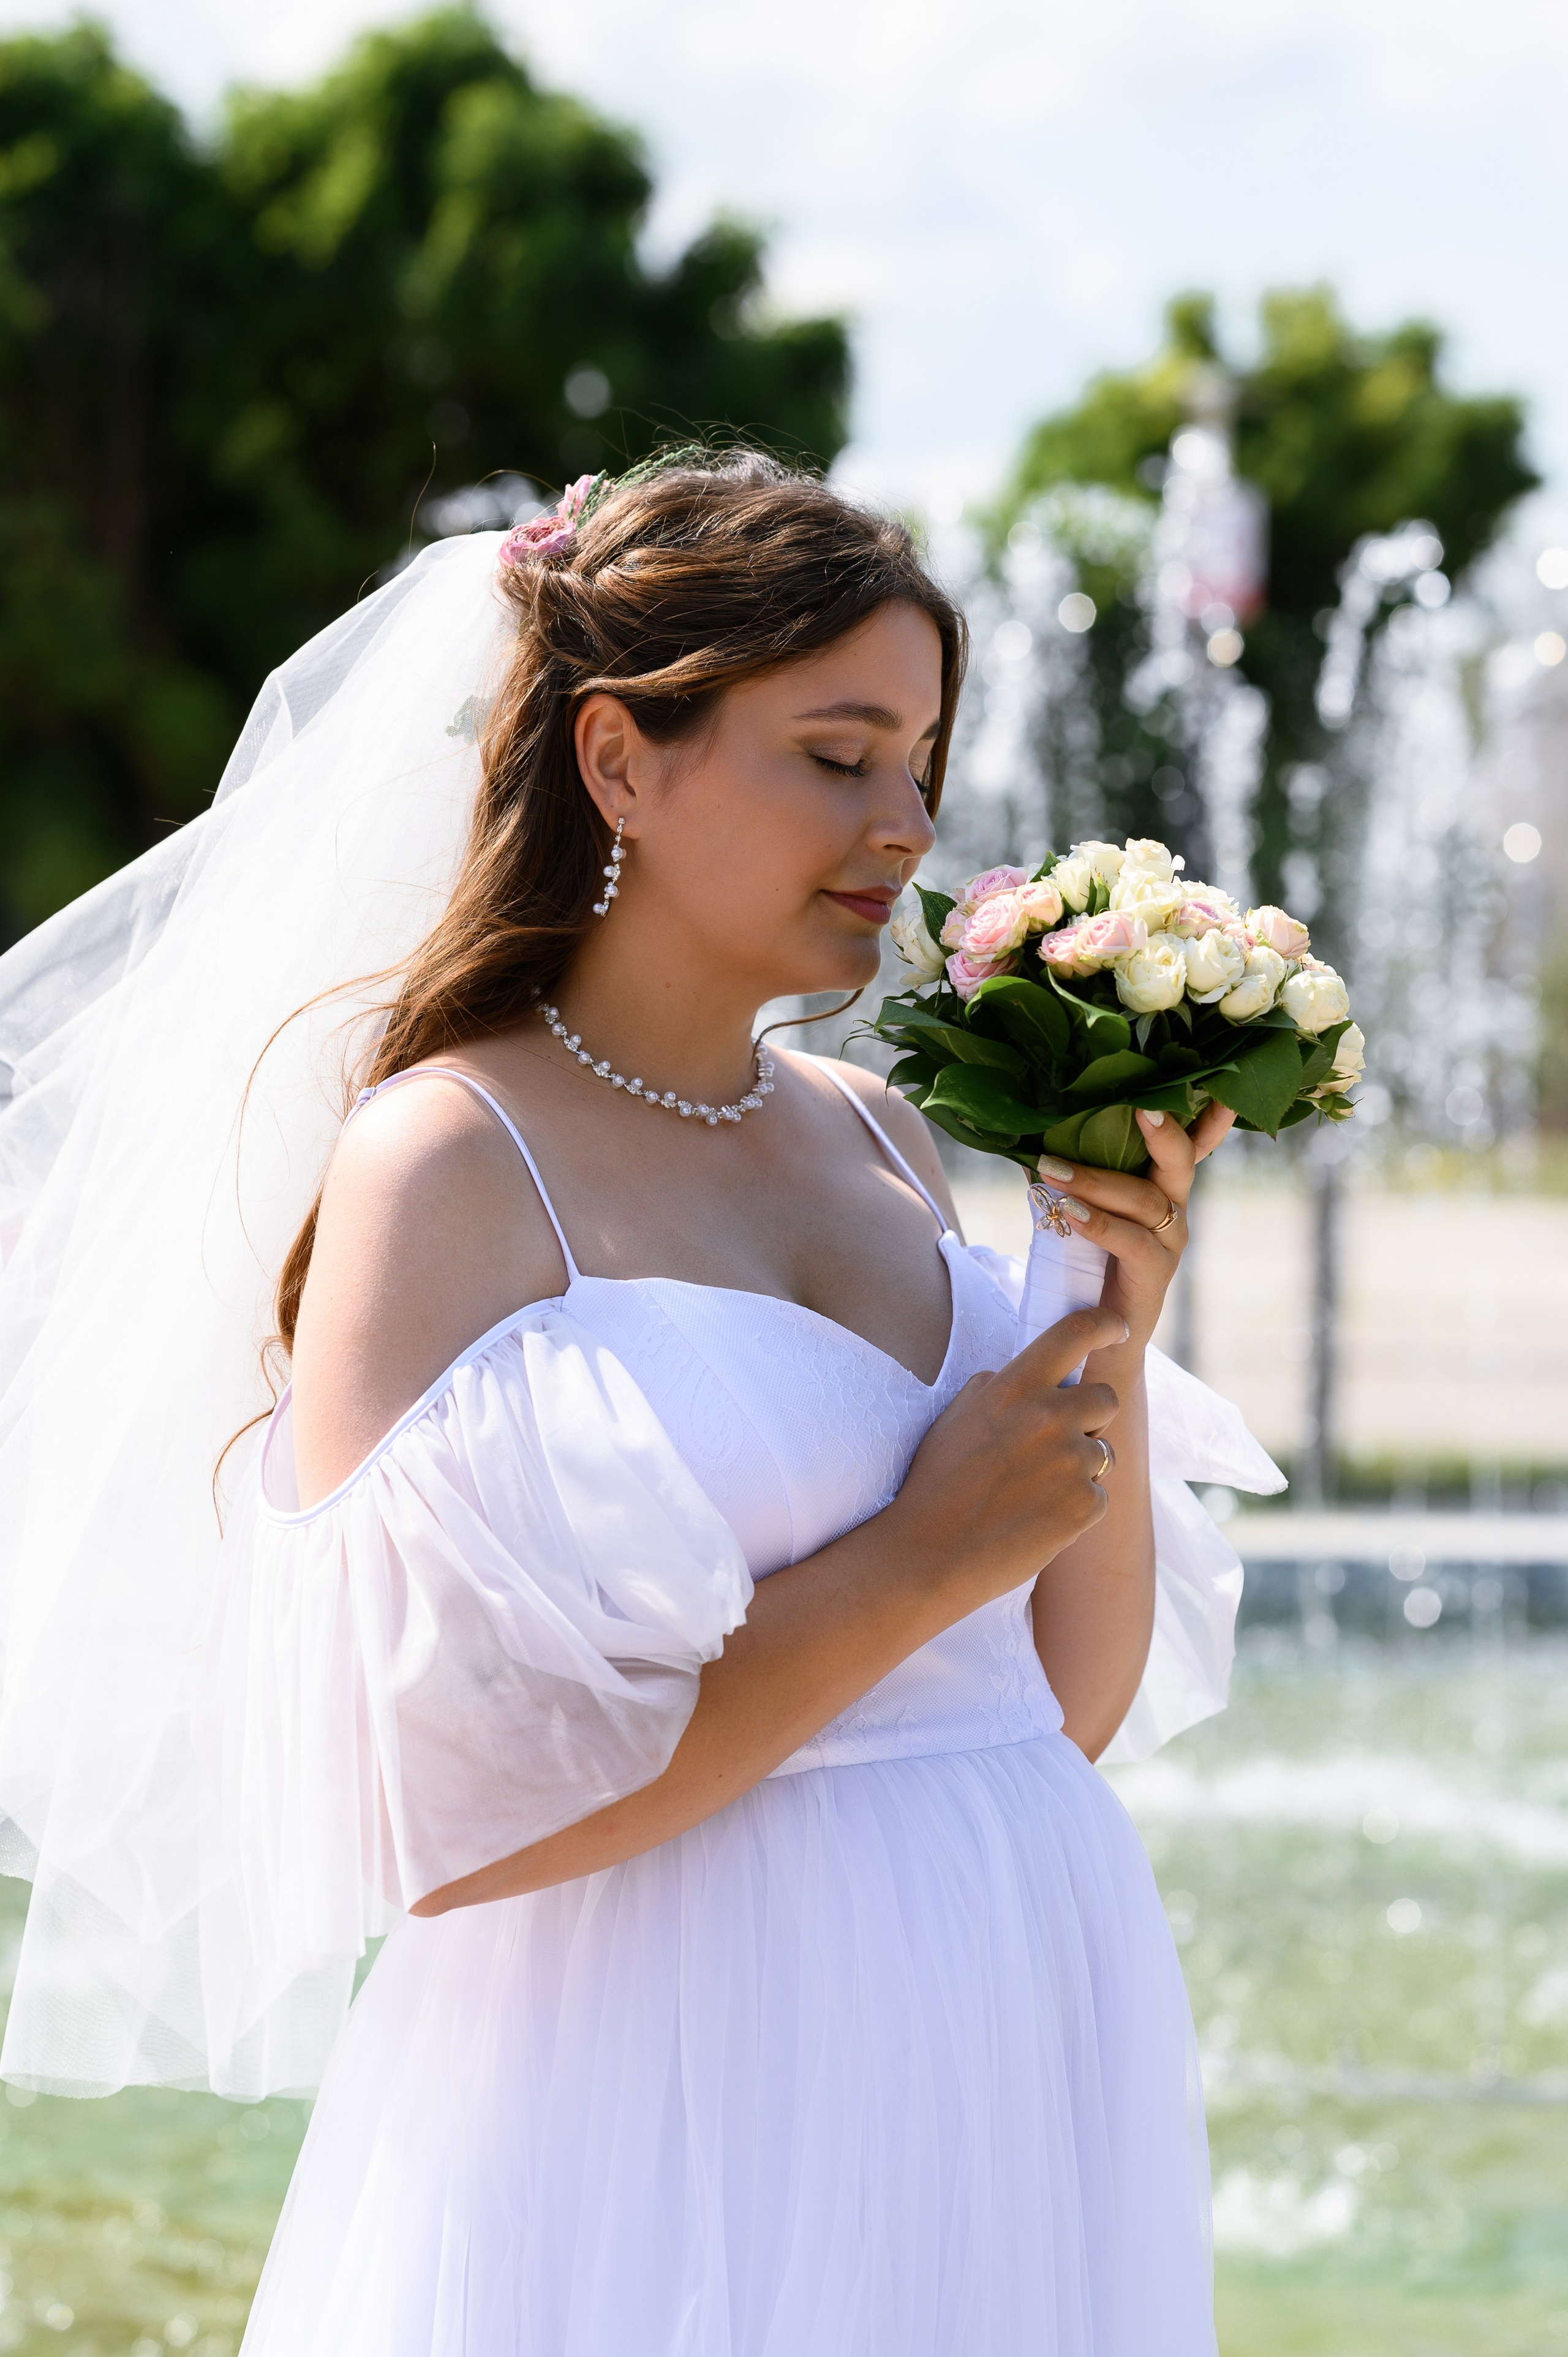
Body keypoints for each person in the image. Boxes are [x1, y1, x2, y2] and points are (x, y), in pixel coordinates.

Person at [0, 451, 1281, 2355]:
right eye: (836, 756)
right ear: (619, 760)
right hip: (667, 2070)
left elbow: (1055, 1704)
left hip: (1021, 2012)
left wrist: (1110, 1299)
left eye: (921, 761)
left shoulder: (884, 1139)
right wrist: (915, 1557)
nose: (906, 823)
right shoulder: (450, 1162)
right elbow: (424, 1820)